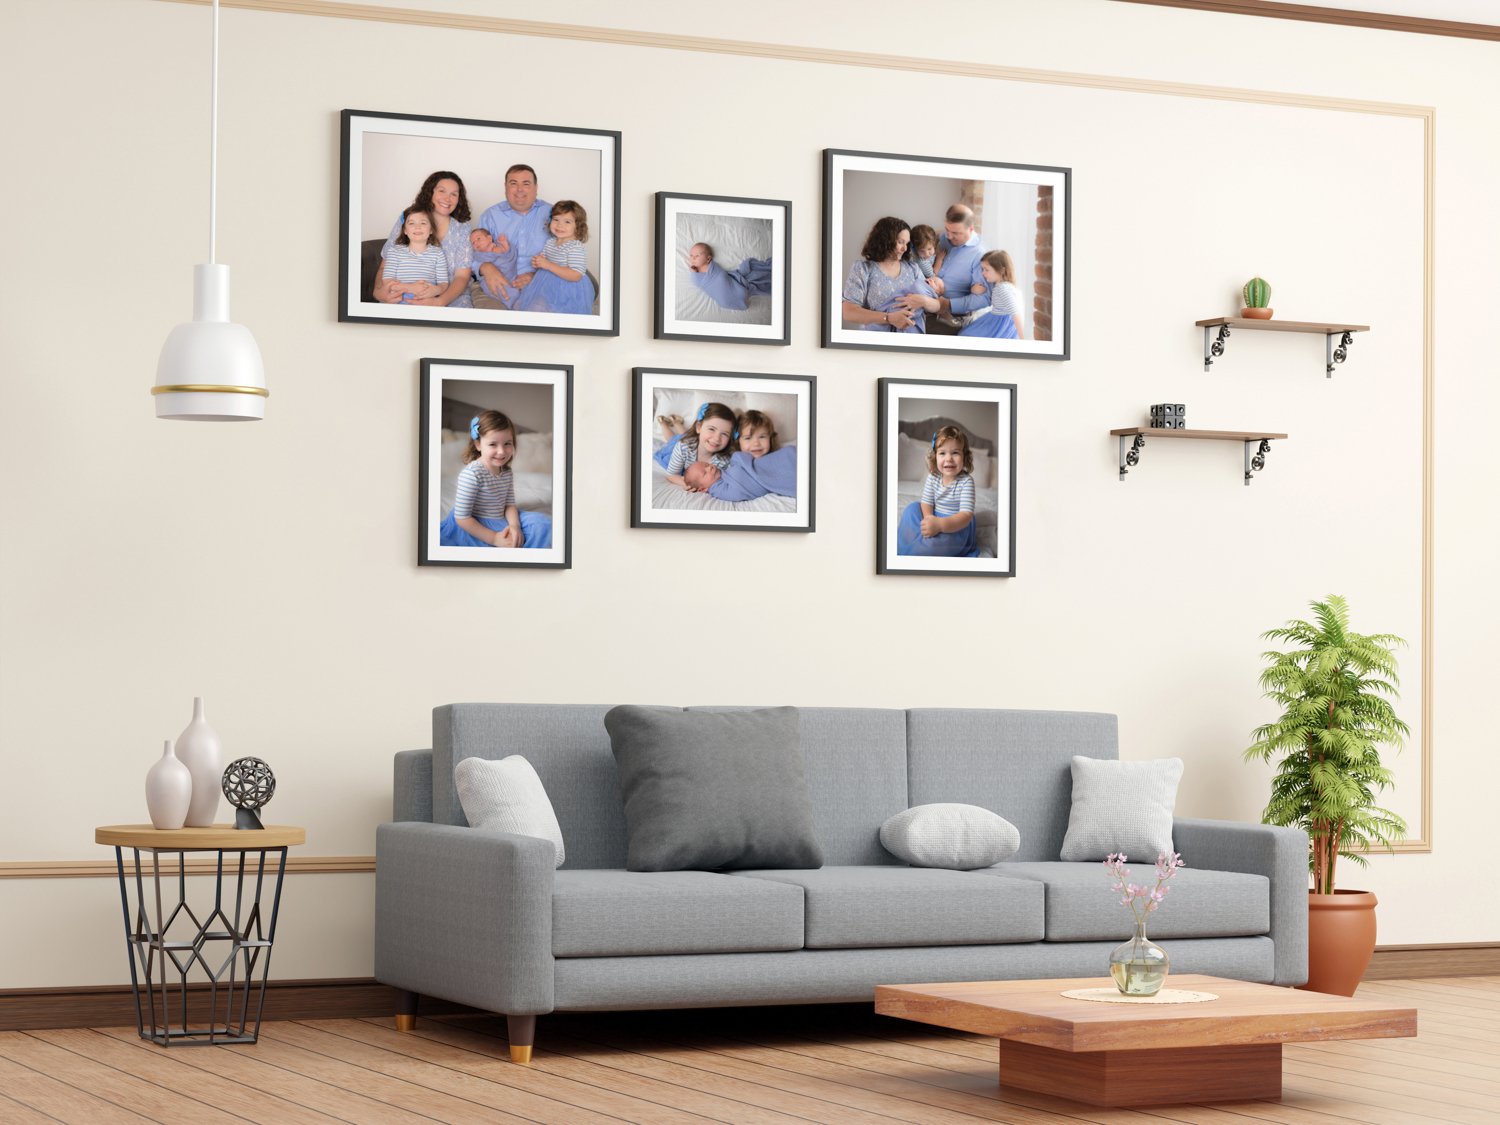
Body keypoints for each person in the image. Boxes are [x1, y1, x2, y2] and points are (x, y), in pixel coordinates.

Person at [439, 411, 553, 549]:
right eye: (493, 444)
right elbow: (462, 518)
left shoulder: (506, 472)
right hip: (474, 524)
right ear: (478, 445)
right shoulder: (472, 474)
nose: (501, 451)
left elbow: (509, 504)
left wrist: (514, 526)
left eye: (507, 443)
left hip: (501, 519)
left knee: (544, 525)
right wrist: (494, 538)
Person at [372, 171, 475, 307]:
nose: (447, 198)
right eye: (441, 191)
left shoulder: (462, 228)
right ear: (430, 192)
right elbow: (385, 266)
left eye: (454, 194)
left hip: (450, 296)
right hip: (403, 294)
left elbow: (462, 277)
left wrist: (439, 301)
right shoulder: (409, 217)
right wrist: (378, 292)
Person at [472, 164, 552, 309]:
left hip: (541, 284)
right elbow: (472, 254)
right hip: (497, 283)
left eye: (526, 184)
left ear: (536, 187)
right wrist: (485, 267)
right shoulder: (490, 215)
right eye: (513, 183)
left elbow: (564, 253)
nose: (519, 189)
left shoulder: (552, 214)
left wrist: (536, 276)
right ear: (505, 187)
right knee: (491, 321)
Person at [841, 216, 939, 333]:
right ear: (885, 240)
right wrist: (888, 318)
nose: (904, 248)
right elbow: (848, 312)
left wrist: (924, 301)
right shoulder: (863, 269)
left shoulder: (913, 269)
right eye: (900, 242)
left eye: (907, 243)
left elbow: (937, 305)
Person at [896, 425, 979, 557]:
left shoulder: (966, 482)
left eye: (955, 452)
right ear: (935, 457)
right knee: (911, 509)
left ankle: (920, 549)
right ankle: (910, 543)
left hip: (955, 526)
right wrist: (929, 518)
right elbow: (926, 502)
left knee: (936, 545)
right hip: (934, 517)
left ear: (965, 457)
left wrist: (940, 525)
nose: (948, 458)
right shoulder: (933, 477)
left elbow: (965, 516)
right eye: (942, 453)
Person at [910, 204, 989, 334]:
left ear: (971, 229)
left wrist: (947, 304)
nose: (949, 236)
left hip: (953, 319)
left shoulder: (980, 254)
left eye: (956, 233)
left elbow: (984, 298)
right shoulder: (942, 238)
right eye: (947, 229)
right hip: (924, 308)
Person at [512, 200, 596, 315]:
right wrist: (538, 262)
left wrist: (548, 265)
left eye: (567, 222)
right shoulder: (550, 242)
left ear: (577, 226)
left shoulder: (575, 247)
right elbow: (545, 262)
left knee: (557, 312)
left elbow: (576, 275)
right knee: (524, 306)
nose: (560, 225)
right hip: (547, 284)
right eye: (556, 220)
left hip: (568, 289)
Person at [654, 402, 736, 490]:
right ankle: (664, 423)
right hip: (683, 445)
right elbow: (671, 475)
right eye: (711, 429)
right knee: (672, 440)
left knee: (685, 435)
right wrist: (686, 484)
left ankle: (676, 422)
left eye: (724, 434)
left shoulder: (725, 461)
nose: (716, 438)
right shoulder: (683, 447)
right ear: (699, 427)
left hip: (693, 440)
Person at [684, 444, 798, 503]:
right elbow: (737, 492)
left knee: (787, 454)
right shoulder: (717, 490)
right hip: (759, 479)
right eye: (704, 473)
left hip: (759, 466)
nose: (710, 468)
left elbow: (738, 462)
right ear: (702, 489)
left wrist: (737, 460)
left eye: (707, 465)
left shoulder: (723, 471)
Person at [378, 209, 450, 302]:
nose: (417, 227)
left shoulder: (438, 253)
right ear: (405, 230)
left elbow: (443, 283)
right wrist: (411, 288)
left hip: (427, 302)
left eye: (423, 223)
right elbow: (387, 282)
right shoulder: (394, 252)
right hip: (400, 302)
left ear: (431, 230)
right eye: (411, 223)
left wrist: (436, 290)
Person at [686, 242, 773, 311]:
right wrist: (693, 273)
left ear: (708, 259)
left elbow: (721, 275)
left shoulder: (713, 267)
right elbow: (698, 283)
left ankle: (741, 292)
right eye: (691, 255)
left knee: (752, 277)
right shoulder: (696, 276)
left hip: (736, 286)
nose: (693, 258)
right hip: (724, 301)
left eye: (697, 255)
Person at [959, 250, 1026, 340]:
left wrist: (1023, 339)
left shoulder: (1003, 289)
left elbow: (1015, 314)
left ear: (1001, 270)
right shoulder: (1000, 285)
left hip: (999, 325)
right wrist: (973, 289)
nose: (983, 273)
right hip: (995, 318)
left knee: (966, 335)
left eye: (986, 270)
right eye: (983, 269)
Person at [908, 225, 947, 298]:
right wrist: (939, 259)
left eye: (929, 249)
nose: (926, 254)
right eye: (922, 251)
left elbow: (937, 235)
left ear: (934, 244)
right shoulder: (922, 261)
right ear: (915, 249)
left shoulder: (932, 243)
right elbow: (933, 274)